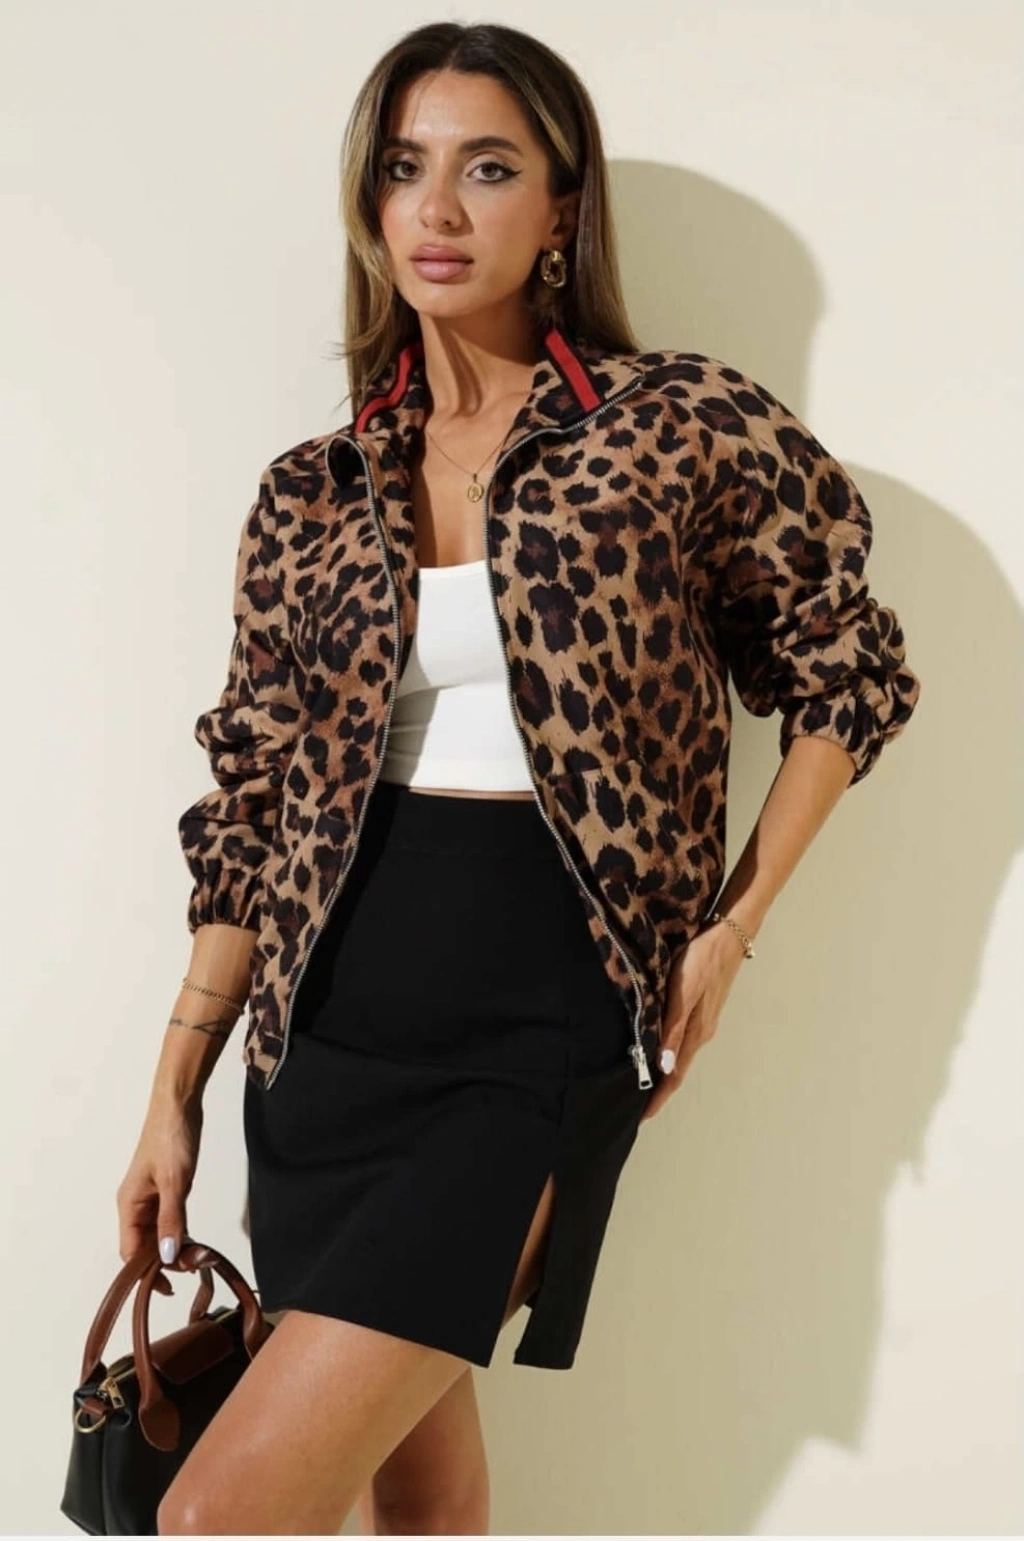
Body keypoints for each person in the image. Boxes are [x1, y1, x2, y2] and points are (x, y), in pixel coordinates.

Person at [115, 20, 921, 1536]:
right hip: (322, 1029)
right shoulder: (313, 489)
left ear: (563, 210)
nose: (436, 208)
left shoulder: (674, 427)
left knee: (217, 1517)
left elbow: (849, 674)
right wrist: (175, 1088)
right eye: (403, 168)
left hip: (536, 1015)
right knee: (423, 1510)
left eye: (487, 169)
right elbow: (251, 802)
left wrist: (730, 932)